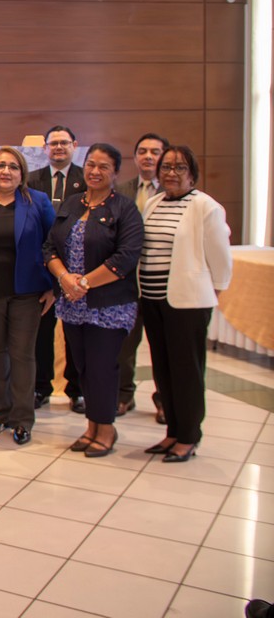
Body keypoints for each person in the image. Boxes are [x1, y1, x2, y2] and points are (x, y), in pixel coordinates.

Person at [43, 143, 143, 459]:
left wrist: (83, 283)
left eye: (103, 167)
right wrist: (64, 278)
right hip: (72, 304)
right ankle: (92, 426)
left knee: (102, 367)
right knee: (82, 367)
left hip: (108, 305)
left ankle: (106, 429)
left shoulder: (124, 209)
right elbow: (50, 248)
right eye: (91, 165)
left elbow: (126, 257)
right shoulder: (72, 203)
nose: (95, 171)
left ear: (115, 172)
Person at [139, 145, 232, 463]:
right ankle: (173, 432)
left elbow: (220, 256)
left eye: (180, 168)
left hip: (187, 303)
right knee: (163, 369)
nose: (171, 173)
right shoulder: (153, 203)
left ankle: (189, 436)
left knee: (186, 371)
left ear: (192, 173)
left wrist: (214, 291)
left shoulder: (205, 206)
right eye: (166, 167)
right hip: (152, 300)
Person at [0, 147, 55, 446]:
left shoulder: (38, 202)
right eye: (0, 166)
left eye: (13, 167)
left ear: (22, 173)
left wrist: (53, 287)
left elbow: (54, 244)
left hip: (27, 293)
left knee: (21, 354)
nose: (6, 171)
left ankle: (21, 419)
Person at [28, 125, 86, 412]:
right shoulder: (31, 180)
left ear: (74, 145)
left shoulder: (86, 179)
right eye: (54, 143)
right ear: (45, 148)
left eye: (64, 142)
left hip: (78, 269)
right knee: (42, 333)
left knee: (76, 332)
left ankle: (77, 389)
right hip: (42, 268)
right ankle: (41, 387)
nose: (59, 147)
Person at [115, 133, 169, 420]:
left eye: (155, 152)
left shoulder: (174, 191)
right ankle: (124, 395)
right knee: (125, 344)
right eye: (143, 151)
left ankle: (164, 399)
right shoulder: (121, 189)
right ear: (135, 158)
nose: (148, 156)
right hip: (127, 282)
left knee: (164, 345)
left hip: (163, 282)